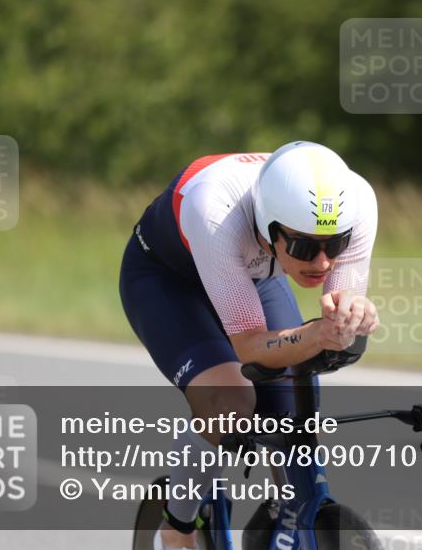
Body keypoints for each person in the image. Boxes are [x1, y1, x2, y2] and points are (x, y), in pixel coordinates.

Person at [119, 141, 379, 550]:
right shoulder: (216, 211)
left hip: (254, 272)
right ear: (267, 225)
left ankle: (285, 514)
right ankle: (176, 524)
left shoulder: (357, 200)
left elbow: (336, 314)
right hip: (168, 280)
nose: (324, 262)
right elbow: (252, 349)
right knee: (230, 398)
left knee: (288, 409)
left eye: (335, 244)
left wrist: (351, 318)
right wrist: (314, 334)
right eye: (305, 247)